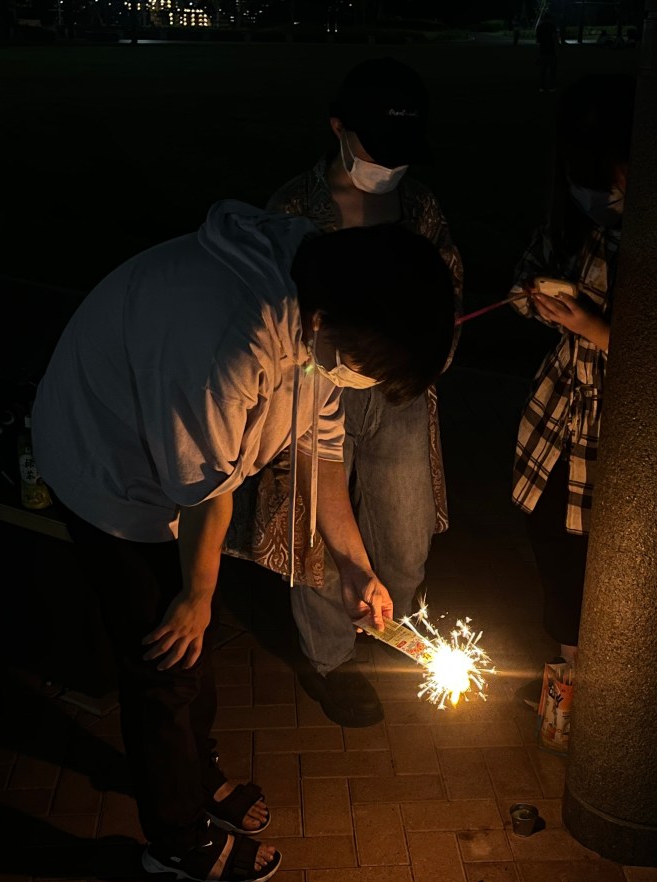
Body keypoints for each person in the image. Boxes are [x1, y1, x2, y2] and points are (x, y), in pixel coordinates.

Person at [31, 203, 455, 882]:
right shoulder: (227, 338)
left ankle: (194, 773)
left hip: (179, 471)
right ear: (324, 326)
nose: (360, 384)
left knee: (195, 634)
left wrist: (354, 565)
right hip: (106, 469)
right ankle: (175, 840)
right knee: (165, 655)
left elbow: (319, 451)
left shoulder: (324, 310)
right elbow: (205, 492)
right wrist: (195, 593)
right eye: (364, 370)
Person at [225, 57, 463, 728]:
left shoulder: (418, 207)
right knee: (317, 527)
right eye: (376, 147)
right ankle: (330, 657)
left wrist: (422, 357)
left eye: (400, 152)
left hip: (397, 393)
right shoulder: (294, 208)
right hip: (311, 386)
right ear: (337, 128)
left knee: (406, 529)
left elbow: (446, 296)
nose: (388, 166)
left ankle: (392, 621)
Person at [507, 74, 636, 666]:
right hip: (556, 417)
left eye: (605, 174)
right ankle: (566, 685)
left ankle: (599, 694)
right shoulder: (572, 222)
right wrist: (531, 297)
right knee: (553, 543)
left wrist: (593, 327)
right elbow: (526, 272)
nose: (593, 191)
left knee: (605, 565)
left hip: (616, 432)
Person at [535, 12, 560, 93]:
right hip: (551, 51)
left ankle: (542, 87)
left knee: (543, 71)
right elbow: (555, 39)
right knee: (552, 70)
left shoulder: (539, 27)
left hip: (542, 51)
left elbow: (538, 42)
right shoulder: (552, 26)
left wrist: (538, 55)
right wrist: (557, 49)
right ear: (549, 19)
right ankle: (551, 87)